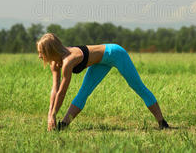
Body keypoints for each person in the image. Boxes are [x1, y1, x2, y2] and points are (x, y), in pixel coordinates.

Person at [36, 33, 169, 131]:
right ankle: (62, 126)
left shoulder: (68, 61)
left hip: (116, 53)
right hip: (100, 61)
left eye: (41, 52)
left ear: (50, 50)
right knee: (84, 92)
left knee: (137, 86)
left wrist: (53, 114)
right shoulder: (54, 63)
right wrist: (50, 115)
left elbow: (62, 92)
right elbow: (55, 88)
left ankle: (162, 123)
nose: (39, 56)